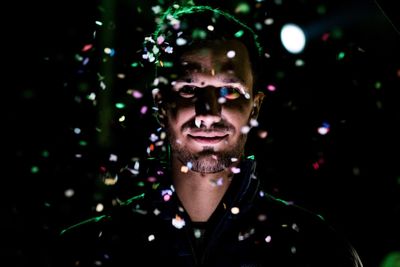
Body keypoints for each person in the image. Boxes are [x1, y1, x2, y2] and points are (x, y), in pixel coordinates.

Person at [52, 4, 364, 267]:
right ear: (160, 105)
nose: (208, 112)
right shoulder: (87, 251)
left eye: (229, 91)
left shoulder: (317, 252)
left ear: (254, 109)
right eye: (189, 89)